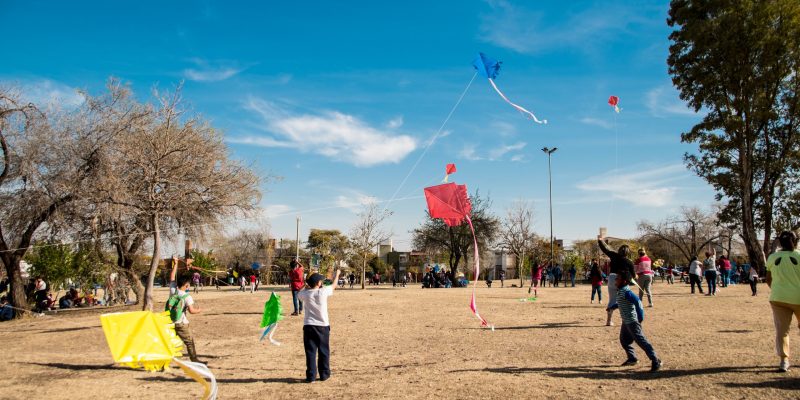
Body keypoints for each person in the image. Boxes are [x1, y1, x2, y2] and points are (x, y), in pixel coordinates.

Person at [610, 270, 662, 372]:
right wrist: (614, 306)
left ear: (624, 281)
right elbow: (622, 302)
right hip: (625, 321)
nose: (615, 280)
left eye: (617, 278)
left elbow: (638, 301)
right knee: (624, 341)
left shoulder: (627, 291)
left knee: (641, 341)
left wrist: (640, 316)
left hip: (632, 321)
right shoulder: (621, 291)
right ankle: (632, 358)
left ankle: (656, 360)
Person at [297, 270, 341, 383]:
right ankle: (324, 374)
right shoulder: (323, 292)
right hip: (322, 326)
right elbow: (334, 285)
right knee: (324, 351)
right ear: (318, 283)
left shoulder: (305, 294)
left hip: (308, 326)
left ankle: (311, 376)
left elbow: (299, 292)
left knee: (310, 352)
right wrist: (337, 275)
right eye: (320, 280)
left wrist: (306, 285)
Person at [766, 230, 800, 372]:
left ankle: (784, 360)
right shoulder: (799, 255)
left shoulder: (772, 257)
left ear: (779, 242)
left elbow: (768, 279)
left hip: (778, 297)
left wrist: (778, 288)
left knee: (782, 331)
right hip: (798, 297)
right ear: (796, 241)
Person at [598, 235, 637, 326]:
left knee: (612, 300)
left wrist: (600, 241)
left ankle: (608, 321)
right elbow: (633, 275)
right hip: (622, 281)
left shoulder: (614, 256)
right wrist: (635, 276)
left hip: (611, 279)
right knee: (625, 300)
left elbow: (605, 249)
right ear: (628, 253)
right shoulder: (629, 262)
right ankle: (626, 320)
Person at [166, 276, 202, 363]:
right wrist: (199, 310)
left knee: (169, 343)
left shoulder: (173, 291)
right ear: (186, 285)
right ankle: (194, 360)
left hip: (169, 322)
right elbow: (191, 311)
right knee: (189, 342)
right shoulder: (187, 297)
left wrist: (175, 263)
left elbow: (171, 278)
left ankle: (164, 361)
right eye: (188, 285)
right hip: (181, 323)